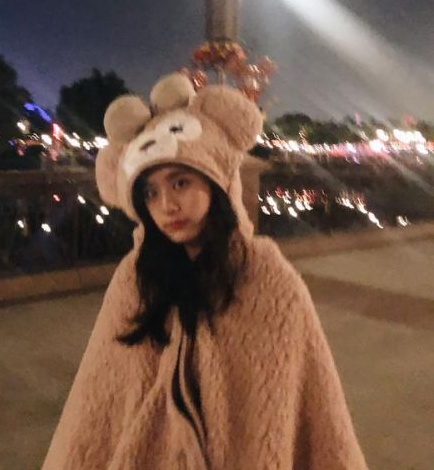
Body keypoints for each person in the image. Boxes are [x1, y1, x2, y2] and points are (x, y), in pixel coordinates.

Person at [42, 73, 367, 469]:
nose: (167, 205)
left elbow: (317, 415)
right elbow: (96, 409)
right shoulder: (135, 279)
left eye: (180, 182)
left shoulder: (268, 281)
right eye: (151, 192)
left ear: (216, 182)